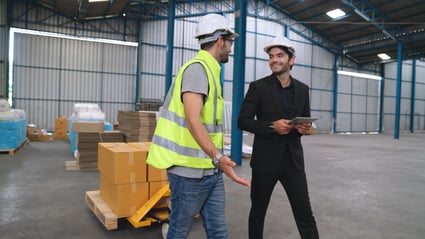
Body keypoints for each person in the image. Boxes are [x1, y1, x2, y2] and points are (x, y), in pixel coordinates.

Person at [146, 13, 250, 239]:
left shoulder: (211, 70)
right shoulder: (197, 69)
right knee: (179, 231)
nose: (231, 48)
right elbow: (193, 120)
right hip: (188, 174)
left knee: (219, 232)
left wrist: (217, 163)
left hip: (210, 170)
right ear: (220, 40)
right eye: (230, 42)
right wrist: (217, 157)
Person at [238, 36, 319, 239]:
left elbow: (306, 122)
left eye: (280, 56)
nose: (274, 60)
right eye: (271, 56)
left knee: (305, 213)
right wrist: (271, 126)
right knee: (258, 212)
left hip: (293, 162)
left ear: (291, 60)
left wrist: (305, 128)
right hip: (265, 162)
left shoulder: (303, 89)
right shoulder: (258, 87)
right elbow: (243, 121)